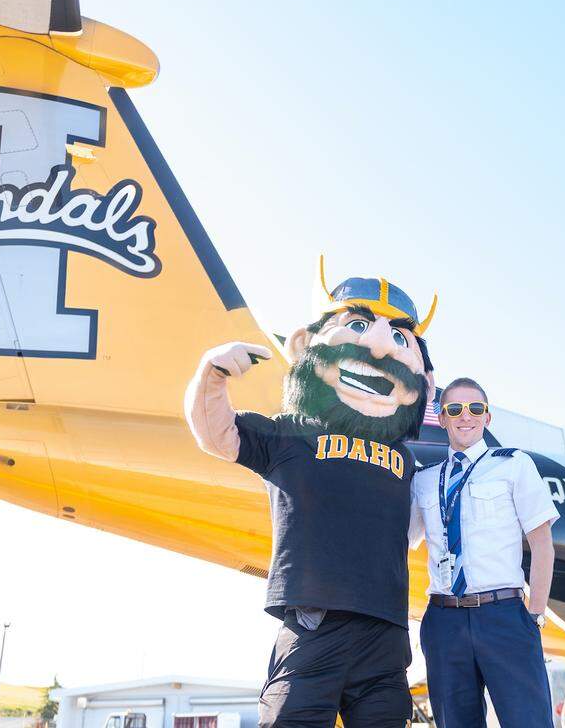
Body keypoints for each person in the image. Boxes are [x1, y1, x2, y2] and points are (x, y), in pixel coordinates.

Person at [185, 260, 437, 728]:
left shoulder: (405, 460)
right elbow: (216, 435)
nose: (381, 344)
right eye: (359, 326)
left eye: (401, 339)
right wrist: (213, 374)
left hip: (386, 628)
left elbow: (416, 529)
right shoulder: (290, 434)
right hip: (314, 617)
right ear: (304, 345)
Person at [410, 377, 560, 727]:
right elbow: (398, 543)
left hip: (504, 616)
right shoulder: (424, 480)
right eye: (455, 409)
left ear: (487, 418)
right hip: (444, 621)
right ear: (442, 417)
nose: (466, 416)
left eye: (475, 408)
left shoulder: (514, 465)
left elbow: (542, 543)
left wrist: (534, 615)